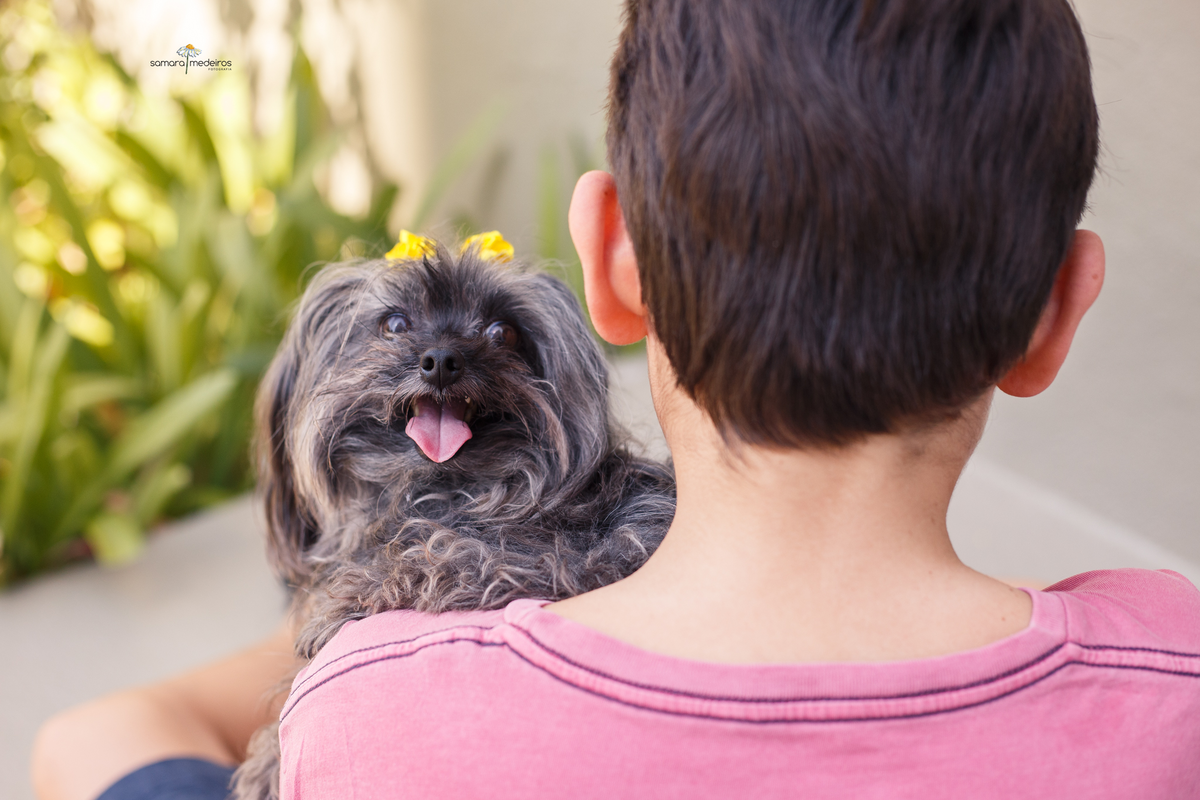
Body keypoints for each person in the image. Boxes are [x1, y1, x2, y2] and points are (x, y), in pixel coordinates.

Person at [32, 0, 1200, 797]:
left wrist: (369, 603)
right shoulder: (1173, 673)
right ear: (1057, 311)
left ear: (611, 265)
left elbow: (97, 733)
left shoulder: (372, 712)